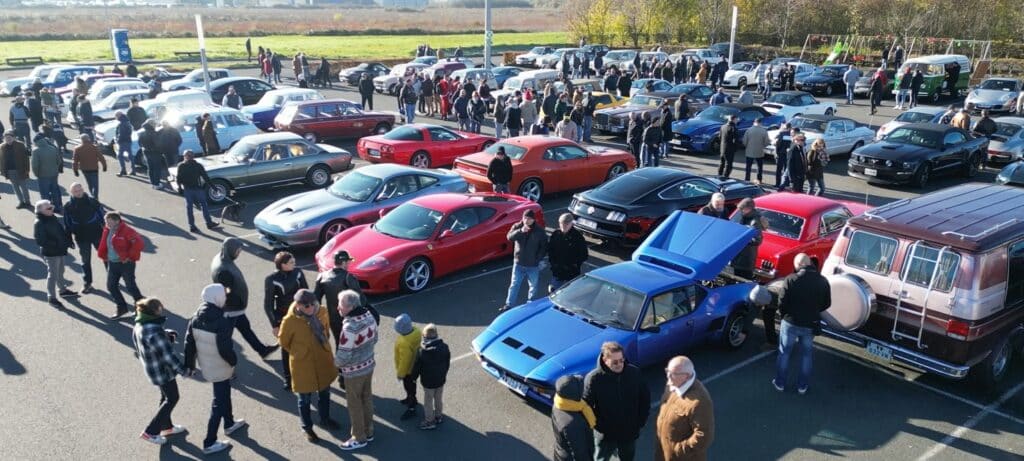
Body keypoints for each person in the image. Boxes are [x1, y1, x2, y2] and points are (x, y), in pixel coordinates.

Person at [183, 284, 243, 455]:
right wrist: (233, 362)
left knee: (224, 394)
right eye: (223, 295)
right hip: (221, 366)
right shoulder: (221, 320)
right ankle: (209, 442)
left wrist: (190, 365)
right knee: (219, 402)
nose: (225, 297)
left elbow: (189, 345)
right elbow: (225, 349)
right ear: (217, 298)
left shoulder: (195, 317)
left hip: (207, 365)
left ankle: (230, 423)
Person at [279, 289, 339, 442]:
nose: (311, 308)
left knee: (325, 393)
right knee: (304, 399)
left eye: (313, 304)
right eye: (306, 306)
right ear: (298, 305)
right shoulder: (290, 320)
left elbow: (326, 330)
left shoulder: (322, 311)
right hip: (302, 364)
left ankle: (325, 418)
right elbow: (284, 342)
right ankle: (307, 428)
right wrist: (299, 351)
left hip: (322, 359)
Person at [132, 298, 189, 446]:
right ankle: (150, 431)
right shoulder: (154, 330)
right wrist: (183, 370)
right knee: (172, 398)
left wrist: (166, 334)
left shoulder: (139, 324)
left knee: (165, 397)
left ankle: (166, 427)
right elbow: (167, 355)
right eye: (160, 309)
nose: (162, 310)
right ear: (154, 311)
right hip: (162, 370)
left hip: (152, 369)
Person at [772, 254, 831, 394]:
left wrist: (784, 313)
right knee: (806, 355)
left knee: (784, 353)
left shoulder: (791, 279)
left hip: (790, 321)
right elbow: (827, 303)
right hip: (810, 323)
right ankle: (802, 386)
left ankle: (780, 382)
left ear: (797, 265)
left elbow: (782, 302)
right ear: (810, 263)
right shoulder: (823, 281)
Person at [211, 237, 280, 357]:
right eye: (237, 251)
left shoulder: (222, 258)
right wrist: (238, 303)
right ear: (231, 250)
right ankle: (223, 357)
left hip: (233, 308)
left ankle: (262, 350)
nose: (238, 254)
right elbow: (226, 290)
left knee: (244, 329)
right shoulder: (224, 271)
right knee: (228, 335)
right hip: (232, 308)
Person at [583, 341, 651, 461]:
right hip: (606, 434)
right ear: (605, 360)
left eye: (621, 360)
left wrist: (640, 421)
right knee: (601, 458)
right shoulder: (594, 379)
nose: (620, 364)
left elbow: (645, 398)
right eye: (615, 362)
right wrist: (598, 426)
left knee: (627, 458)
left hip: (629, 431)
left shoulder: (634, 373)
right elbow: (586, 406)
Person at [334, 290, 379, 450]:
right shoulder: (369, 316)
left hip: (353, 372)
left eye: (340, 305)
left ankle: (359, 438)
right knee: (366, 399)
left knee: (354, 404)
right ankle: (369, 431)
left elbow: (343, 355)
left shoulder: (349, 327)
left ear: (350, 307)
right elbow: (375, 338)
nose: (338, 308)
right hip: (369, 365)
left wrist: (335, 364)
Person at [314, 250, 378, 348]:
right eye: (348, 261)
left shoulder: (322, 276)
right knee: (353, 346)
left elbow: (315, 300)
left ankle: (339, 362)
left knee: (339, 344)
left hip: (333, 319)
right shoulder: (349, 277)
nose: (349, 263)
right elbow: (361, 300)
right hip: (350, 320)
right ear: (343, 263)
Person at [656, 356, 714, 461]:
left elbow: (704, 435)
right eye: (667, 371)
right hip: (664, 453)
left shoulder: (699, 402)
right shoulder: (672, 385)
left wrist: (678, 450)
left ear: (686, 376)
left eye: (673, 374)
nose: (668, 377)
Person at [264, 251, 308, 389]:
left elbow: (306, 293)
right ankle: (288, 378)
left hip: (300, 314)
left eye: (294, 261)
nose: (294, 264)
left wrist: (310, 313)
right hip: (283, 317)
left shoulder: (298, 273)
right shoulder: (271, 279)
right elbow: (268, 304)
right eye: (291, 262)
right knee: (286, 348)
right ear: (282, 265)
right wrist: (275, 325)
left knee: (303, 344)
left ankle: (302, 373)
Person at [98, 211, 145, 318]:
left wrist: (128, 256)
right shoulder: (107, 230)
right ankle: (122, 308)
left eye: (109, 222)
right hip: (112, 263)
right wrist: (104, 255)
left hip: (125, 264)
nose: (107, 224)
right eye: (106, 221)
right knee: (111, 286)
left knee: (130, 286)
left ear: (117, 221)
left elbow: (139, 244)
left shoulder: (127, 231)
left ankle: (142, 308)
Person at [500, 210, 547, 312]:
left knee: (533, 286)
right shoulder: (517, 226)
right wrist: (521, 231)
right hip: (519, 263)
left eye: (529, 219)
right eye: (525, 218)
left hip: (532, 265)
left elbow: (544, 247)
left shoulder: (539, 231)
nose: (526, 220)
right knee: (514, 284)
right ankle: (509, 305)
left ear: (533, 220)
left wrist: (537, 259)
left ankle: (530, 305)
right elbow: (509, 237)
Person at [62, 183, 104, 294]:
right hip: (81, 237)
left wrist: (107, 231)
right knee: (85, 261)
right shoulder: (68, 206)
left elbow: (102, 217)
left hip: (97, 234)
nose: (79, 192)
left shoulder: (92, 201)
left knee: (106, 257)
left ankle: (113, 278)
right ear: (72, 193)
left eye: (80, 189)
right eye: (76, 191)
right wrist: (69, 238)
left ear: (83, 189)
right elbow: (67, 223)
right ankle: (88, 283)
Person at [34, 199, 76, 307]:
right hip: (51, 253)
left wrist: (67, 241)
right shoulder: (39, 223)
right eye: (48, 208)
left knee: (61, 270)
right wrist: (57, 243)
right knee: (52, 275)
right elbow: (40, 241)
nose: (52, 209)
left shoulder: (51, 217)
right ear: (40, 211)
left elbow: (60, 232)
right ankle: (51, 298)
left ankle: (62, 290)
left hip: (59, 250)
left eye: (51, 206)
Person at [410, 323, 450, 430]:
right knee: (438, 398)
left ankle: (429, 420)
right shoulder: (444, 347)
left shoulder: (422, 351)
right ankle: (438, 416)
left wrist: (413, 378)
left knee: (428, 401)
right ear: (436, 334)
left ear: (424, 336)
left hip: (428, 382)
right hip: (440, 379)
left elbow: (416, 367)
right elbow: (447, 363)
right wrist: (444, 373)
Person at [552, 374, 595, 461]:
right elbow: (580, 452)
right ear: (574, 395)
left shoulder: (559, 403)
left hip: (560, 452)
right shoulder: (573, 423)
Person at [175, 150, 220, 232]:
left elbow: (178, 178)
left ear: (185, 156)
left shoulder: (181, 165)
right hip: (198, 189)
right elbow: (205, 177)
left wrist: (180, 188)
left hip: (187, 189)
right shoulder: (198, 165)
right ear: (193, 156)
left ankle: (192, 226)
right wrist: (214, 188)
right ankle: (209, 223)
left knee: (189, 208)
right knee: (204, 205)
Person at [548, 213, 588, 292]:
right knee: (553, 292)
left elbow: (584, 255)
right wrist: (553, 264)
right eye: (561, 223)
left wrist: (574, 264)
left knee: (571, 294)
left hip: (572, 273)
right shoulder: (556, 234)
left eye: (566, 224)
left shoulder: (578, 237)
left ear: (571, 223)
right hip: (557, 271)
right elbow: (550, 250)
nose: (563, 226)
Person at [393, 313, 422, 421]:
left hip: (408, 371)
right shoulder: (417, 332)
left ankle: (412, 407)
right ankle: (411, 399)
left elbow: (405, 361)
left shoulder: (404, 342)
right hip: (415, 366)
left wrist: (400, 374)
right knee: (412, 386)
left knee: (409, 387)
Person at [730, 198, 765, 280]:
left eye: (742, 209)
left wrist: (742, 239)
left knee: (743, 280)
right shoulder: (743, 217)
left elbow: (757, 240)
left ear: (748, 209)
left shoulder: (755, 222)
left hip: (746, 260)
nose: (740, 211)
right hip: (738, 257)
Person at [31, 133, 63, 213]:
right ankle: (57, 207)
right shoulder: (52, 148)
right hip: (54, 174)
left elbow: (35, 165)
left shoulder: (36, 151)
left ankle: (48, 209)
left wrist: (37, 174)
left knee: (45, 193)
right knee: (54, 191)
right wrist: (55, 169)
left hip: (43, 175)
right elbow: (59, 161)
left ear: (36, 142)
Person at [2, 132, 32, 209]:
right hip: (10, 171)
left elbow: (26, 158)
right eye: (6, 138)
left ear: (13, 137)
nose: (8, 139)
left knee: (24, 187)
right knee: (15, 187)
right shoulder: (2, 147)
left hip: (20, 169)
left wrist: (27, 169)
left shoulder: (20, 145)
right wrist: (2, 170)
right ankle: (21, 202)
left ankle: (27, 202)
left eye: (9, 137)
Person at [72, 134, 107, 199]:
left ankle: (92, 195)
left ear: (81, 140)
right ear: (88, 139)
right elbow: (101, 157)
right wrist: (104, 166)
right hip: (94, 169)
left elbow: (75, 161)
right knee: (95, 184)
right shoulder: (94, 147)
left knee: (89, 183)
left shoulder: (77, 149)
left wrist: (75, 170)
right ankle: (95, 197)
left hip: (85, 169)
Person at [743, 118, 770, 183]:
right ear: (760, 123)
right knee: (759, 167)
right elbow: (766, 142)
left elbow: (744, 142)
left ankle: (747, 179)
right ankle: (759, 180)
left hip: (749, 151)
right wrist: (763, 146)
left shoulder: (748, 130)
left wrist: (747, 146)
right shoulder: (764, 131)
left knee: (748, 167)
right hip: (759, 151)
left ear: (754, 122)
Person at [138, 122, 163, 188]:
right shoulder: (154, 133)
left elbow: (140, 144)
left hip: (146, 152)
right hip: (155, 153)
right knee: (157, 168)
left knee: (150, 168)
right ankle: (157, 183)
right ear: (151, 125)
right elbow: (158, 144)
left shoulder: (142, 134)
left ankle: (153, 183)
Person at [157, 120, 182, 185]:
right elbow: (179, 140)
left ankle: (172, 178)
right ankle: (177, 179)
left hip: (166, 151)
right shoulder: (174, 130)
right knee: (174, 165)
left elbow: (157, 142)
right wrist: (176, 146)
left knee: (169, 165)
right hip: (173, 150)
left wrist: (161, 149)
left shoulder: (160, 131)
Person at [114, 112, 135, 176]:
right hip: (128, 140)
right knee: (130, 156)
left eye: (116, 116)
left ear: (119, 116)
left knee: (120, 156)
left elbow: (121, 134)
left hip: (123, 142)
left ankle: (123, 170)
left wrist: (118, 140)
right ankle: (133, 170)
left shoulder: (122, 124)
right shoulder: (127, 122)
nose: (116, 118)